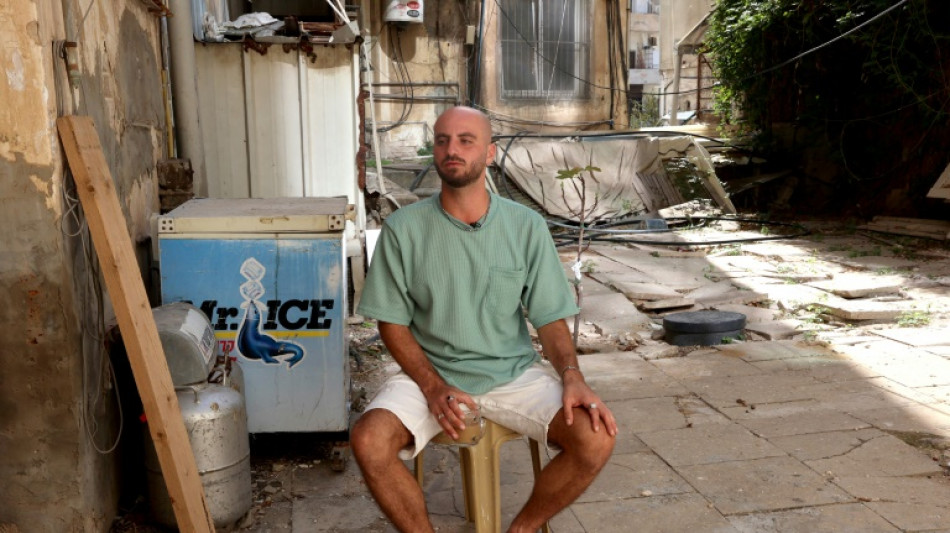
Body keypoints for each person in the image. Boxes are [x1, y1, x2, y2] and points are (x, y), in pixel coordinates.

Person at [351, 106, 617, 533]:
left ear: (490, 152)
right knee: (368, 439)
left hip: (512, 374)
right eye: (442, 140)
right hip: (431, 376)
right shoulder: (403, 229)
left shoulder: (525, 226)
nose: (451, 149)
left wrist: (571, 374)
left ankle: (522, 528)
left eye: (465, 140)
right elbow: (392, 324)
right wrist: (434, 387)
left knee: (596, 436)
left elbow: (549, 319)